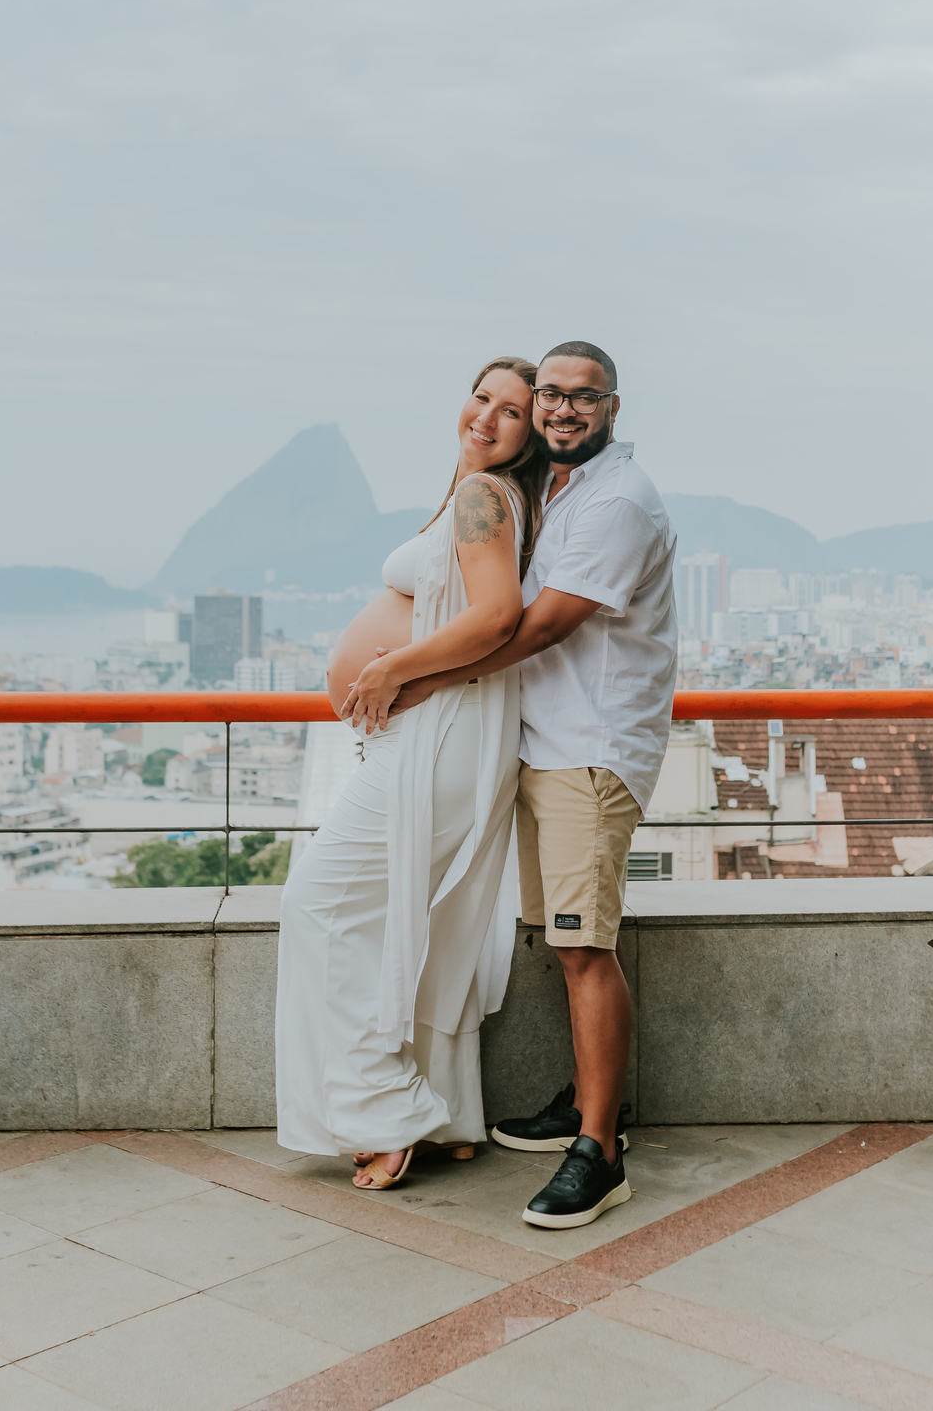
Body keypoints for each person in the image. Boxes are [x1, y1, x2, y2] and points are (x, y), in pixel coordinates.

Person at [386, 341, 677, 1229]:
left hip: (589, 753)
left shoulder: (618, 501)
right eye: (549, 395)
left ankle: (601, 1151)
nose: (561, 411)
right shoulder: (557, 490)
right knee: (561, 940)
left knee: (586, 947)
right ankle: (585, 1104)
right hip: (545, 748)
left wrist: (428, 677)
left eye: (582, 399)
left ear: (613, 410)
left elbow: (545, 627)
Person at [275, 357, 547, 1189]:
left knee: (319, 905)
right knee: (415, 927)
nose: (488, 417)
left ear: (533, 434)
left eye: (512, 412)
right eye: (482, 397)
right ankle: (447, 1114)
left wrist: (396, 675)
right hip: (444, 740)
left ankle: (385, 1107)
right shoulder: (484, 494)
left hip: (438, 741)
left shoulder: (481, 499)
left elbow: (499, 617)